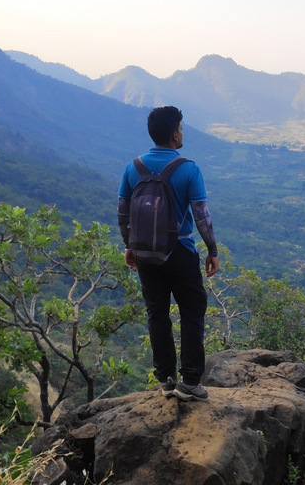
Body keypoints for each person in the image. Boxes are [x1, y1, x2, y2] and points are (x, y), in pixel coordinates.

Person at [117, 106, 219, 401]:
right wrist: (212, 249)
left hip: (146, 255)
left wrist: (130, 246)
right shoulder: (188, 168)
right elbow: (202, 215)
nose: (182, 133)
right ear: (175, 134)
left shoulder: (132, 168)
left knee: (156, 313)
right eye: (182, 129)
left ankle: (166, 379)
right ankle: (190, 381)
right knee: (192, 310)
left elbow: (123, 213)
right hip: (180, 252)